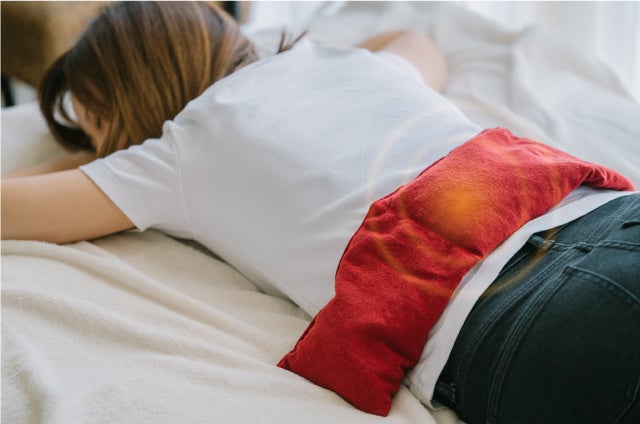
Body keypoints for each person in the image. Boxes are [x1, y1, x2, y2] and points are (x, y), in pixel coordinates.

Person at [1, 2, 638, 423]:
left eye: (90, 123)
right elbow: (416, 41)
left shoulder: (171, 155)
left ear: (115, 108)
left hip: (516, 317)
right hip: (604, 216)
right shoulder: (342, 62)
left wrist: (105, 152)